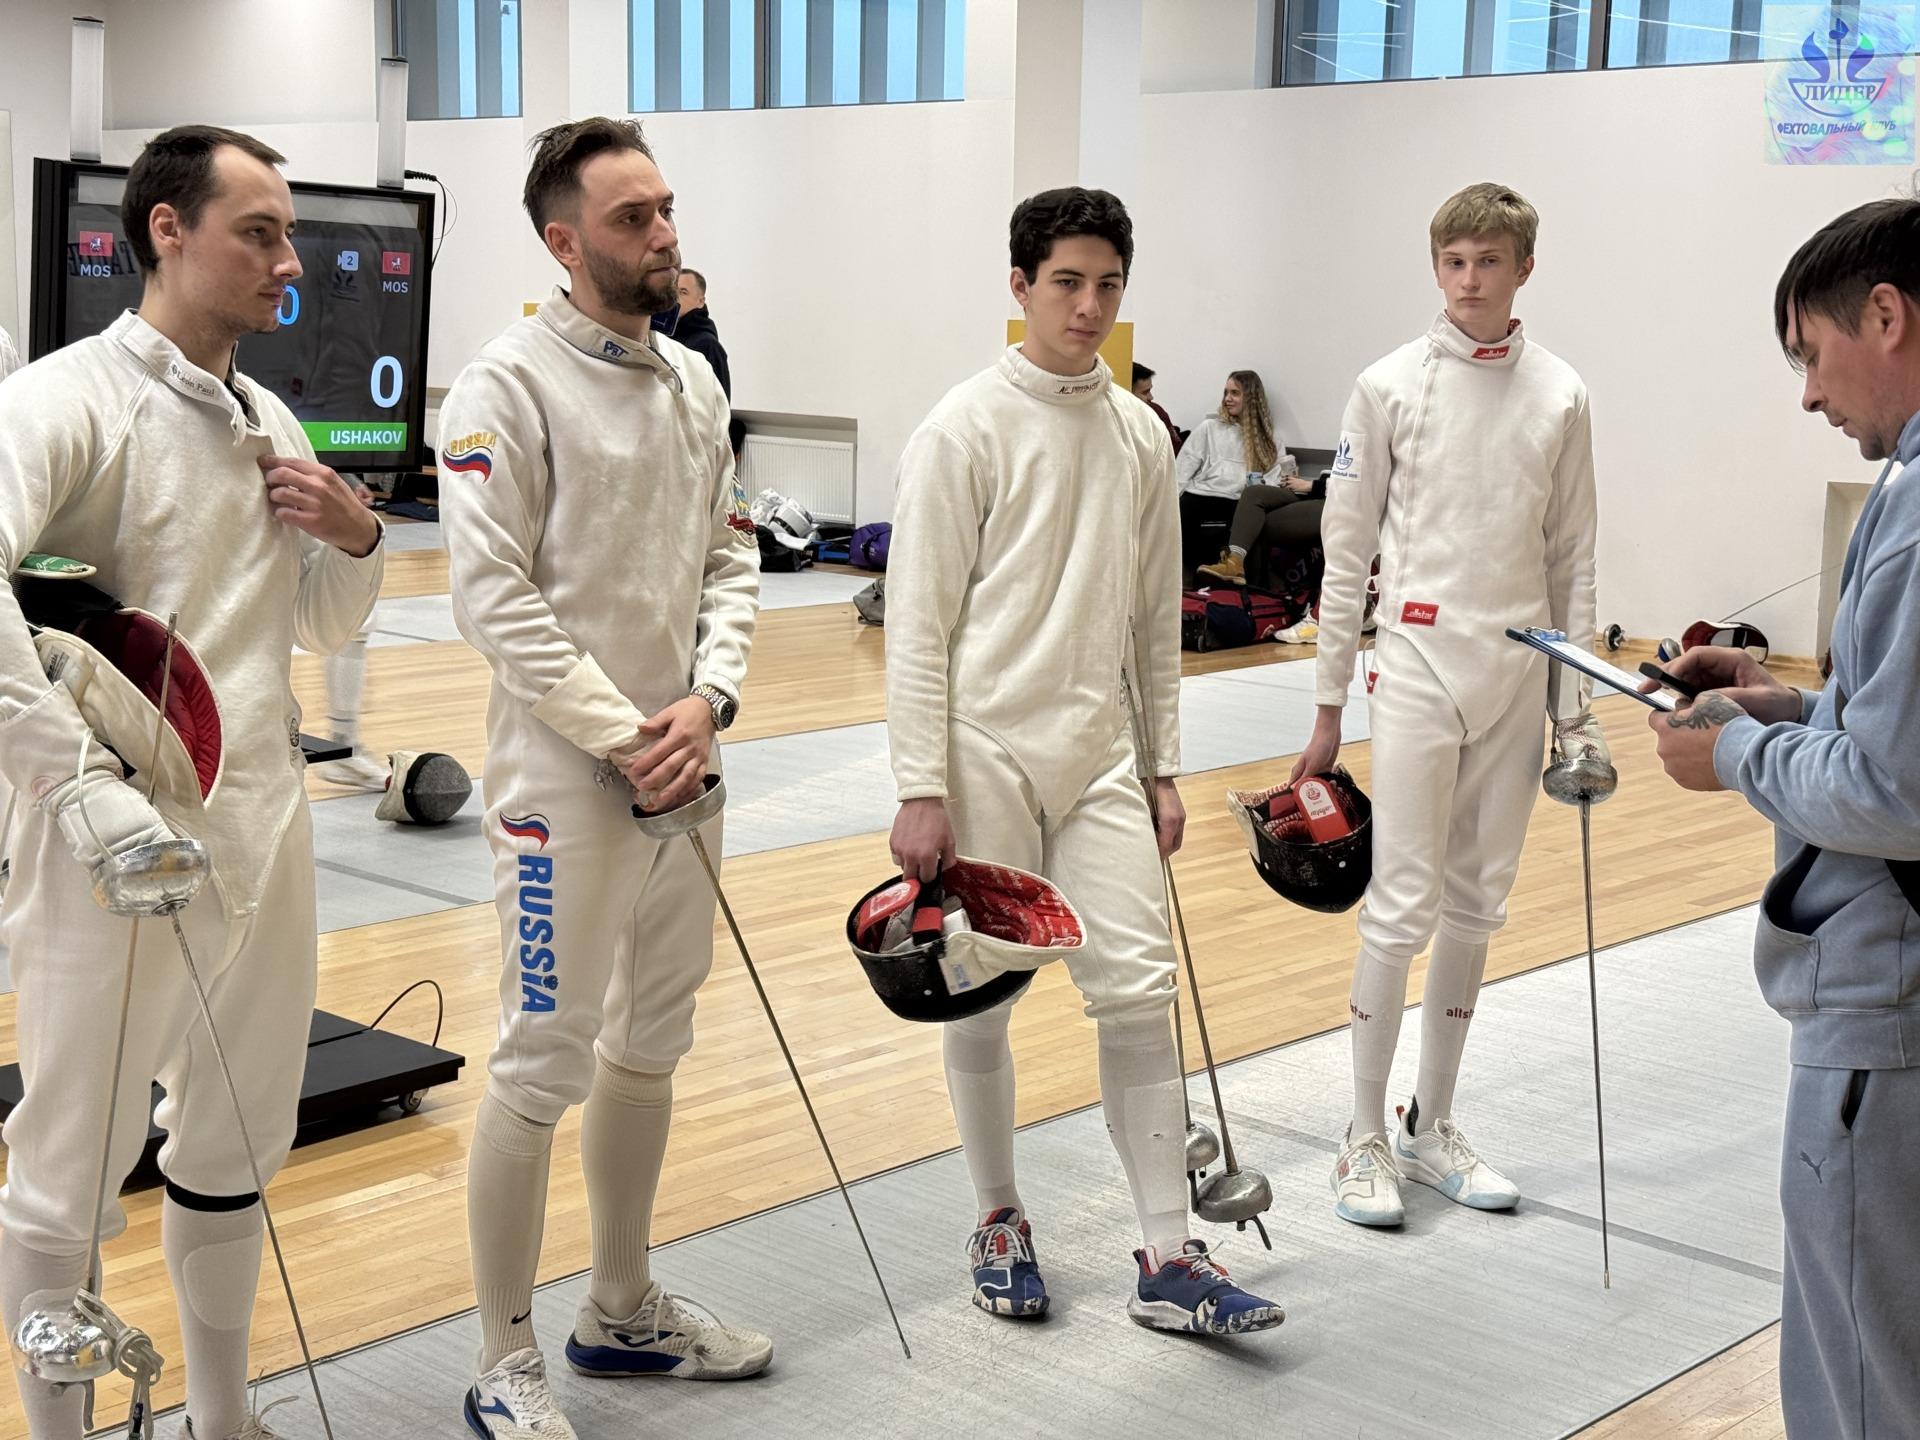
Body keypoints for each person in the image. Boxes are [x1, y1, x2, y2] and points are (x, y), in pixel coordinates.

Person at [0, 125, 385, 1440]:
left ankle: (224, 1417)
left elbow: (315, 625)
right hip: (108, 845)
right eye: (260, 232)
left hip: (263, 826)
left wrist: (358, 538)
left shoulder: (268, 417)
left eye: (290, 236)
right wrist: (72, 787)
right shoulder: (66, 401)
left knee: (237, 1136)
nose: (292, 262)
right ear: (167, 230)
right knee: (70, 1162)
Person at [887, 187, 1283, 1338]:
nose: (1089, 306)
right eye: (1066, 282)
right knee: (984, 993)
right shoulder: (962, 427)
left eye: (1108, 285)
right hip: (983, 751)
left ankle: (1168, 1253)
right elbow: (917, 623)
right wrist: (921, 786)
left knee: (1141, 994)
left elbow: (1155, 616)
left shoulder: (1138, 435)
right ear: (1020, 285)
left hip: (1101, 753)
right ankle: (997, 1217)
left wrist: (1163, 767)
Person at [438, 117, 766, 1440]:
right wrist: (628, 734)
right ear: (564, 242)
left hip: (689, 766)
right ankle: (501, 1357)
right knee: (540, 1063)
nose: (666, 234)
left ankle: (619, 1307)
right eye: (635, 218)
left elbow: (730, 561)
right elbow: (491, 598)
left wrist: (708, 702)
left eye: (668, 208)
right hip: (561, 790)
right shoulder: (504, 386)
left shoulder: (691, 382)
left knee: (651, 1044)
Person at [1646, 197, 1920, 1440]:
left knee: (1868, 1378)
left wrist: (1738, 748)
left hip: (1888, 1004)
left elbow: (1894, 791)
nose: (1809, 394)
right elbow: (1895, 729)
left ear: (1886, 315)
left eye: (1812, 354)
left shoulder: (1915, 509)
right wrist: (1795, 704)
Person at [1294, 181, 1604, 1230]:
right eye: (1454, 262)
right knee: (1400, 903)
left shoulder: (1561, 392)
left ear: (1525, 269)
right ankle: (1362, 1135)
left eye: (1489, 262)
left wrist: (1576, 711)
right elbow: (1345, 554)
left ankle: (1432, 1126)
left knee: (1478, 905)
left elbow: (1573, 558)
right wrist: (1328, 706)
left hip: (1516, 670)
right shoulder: (1387, 386)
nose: (1470, 281)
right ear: (1436, 268)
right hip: (1419, 662)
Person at [1176, 370, 1288, 576]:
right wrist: (1168, 503)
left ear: (1251, 398)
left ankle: (1229, 576)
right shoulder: (1209, 427)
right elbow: (1182, 469)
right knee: (1183, 512)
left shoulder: (1269, 438)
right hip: (1202, 494)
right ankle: (1190, 578)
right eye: (1226, 392)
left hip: (1239, 501)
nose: (1227, 398)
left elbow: (1274, 481)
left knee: (1250, 522)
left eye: (1235, 393)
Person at [672, 267, 731, 398]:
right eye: (671, 291)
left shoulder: (708, 345)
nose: (675, 297)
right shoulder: (657, 337)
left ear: (700, 302)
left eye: (683, 292)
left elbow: (719, 404)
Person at [1130, 362, 1184, 453]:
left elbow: (1176, 451)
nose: (1151, 397)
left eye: (1150, 390)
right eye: (1145, 392)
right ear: (1128, 393)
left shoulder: (1157, 412)